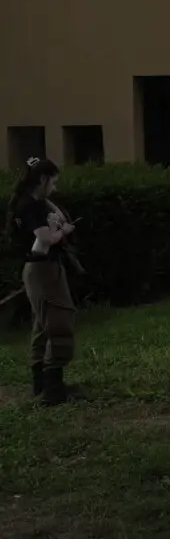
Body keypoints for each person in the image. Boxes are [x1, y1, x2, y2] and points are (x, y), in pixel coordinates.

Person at [6, 157, 84, 406]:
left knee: (42, 324)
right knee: (59, 320)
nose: (55, 187)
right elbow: (46, 238)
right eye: (53, 182)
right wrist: (63, 231)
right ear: (42, 179)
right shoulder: (31, 207)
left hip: (38, 269)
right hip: (44, 270)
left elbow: (56, 218)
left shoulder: (29, 203)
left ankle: (41, 384)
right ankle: (53, 388)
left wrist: (47, 201)